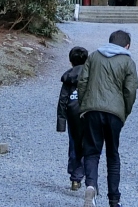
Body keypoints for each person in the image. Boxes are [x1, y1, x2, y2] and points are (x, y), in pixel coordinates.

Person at [77, 29, 138, 207]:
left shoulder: (94, 56)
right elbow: (130, 90)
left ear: (110, 41)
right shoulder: (128, 62)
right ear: (127, 45)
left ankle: (90, 186)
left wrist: (84, 105)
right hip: (114, 113)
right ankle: (114, 199)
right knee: (112, 154)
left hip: (92, 109)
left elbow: (82, 82)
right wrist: (124, 112)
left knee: (92, 152)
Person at [56, 45, 89, 190]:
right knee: (89, 144)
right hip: (88, 112)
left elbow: (63, 99)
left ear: (71, 61)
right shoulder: (91, 75)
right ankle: (85, 173)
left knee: (74, 145)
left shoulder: (68, 77)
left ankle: (75, 177)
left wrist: (61, 122)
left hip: (72, 114)